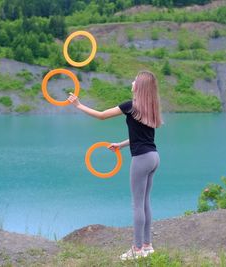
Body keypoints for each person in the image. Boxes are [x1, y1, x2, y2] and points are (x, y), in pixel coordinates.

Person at [67, 70, 163, 260]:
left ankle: (136, 250)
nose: (132, 80)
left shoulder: (130, 106)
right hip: (153, 157)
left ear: (140, 86)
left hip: (141, 159)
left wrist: (78, 105)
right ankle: (147, 245)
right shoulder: (151, 108)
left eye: (135, 79)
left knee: (137, 205)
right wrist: (121, 144)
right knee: (145, 203)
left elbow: (102, 115)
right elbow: (142, 136)